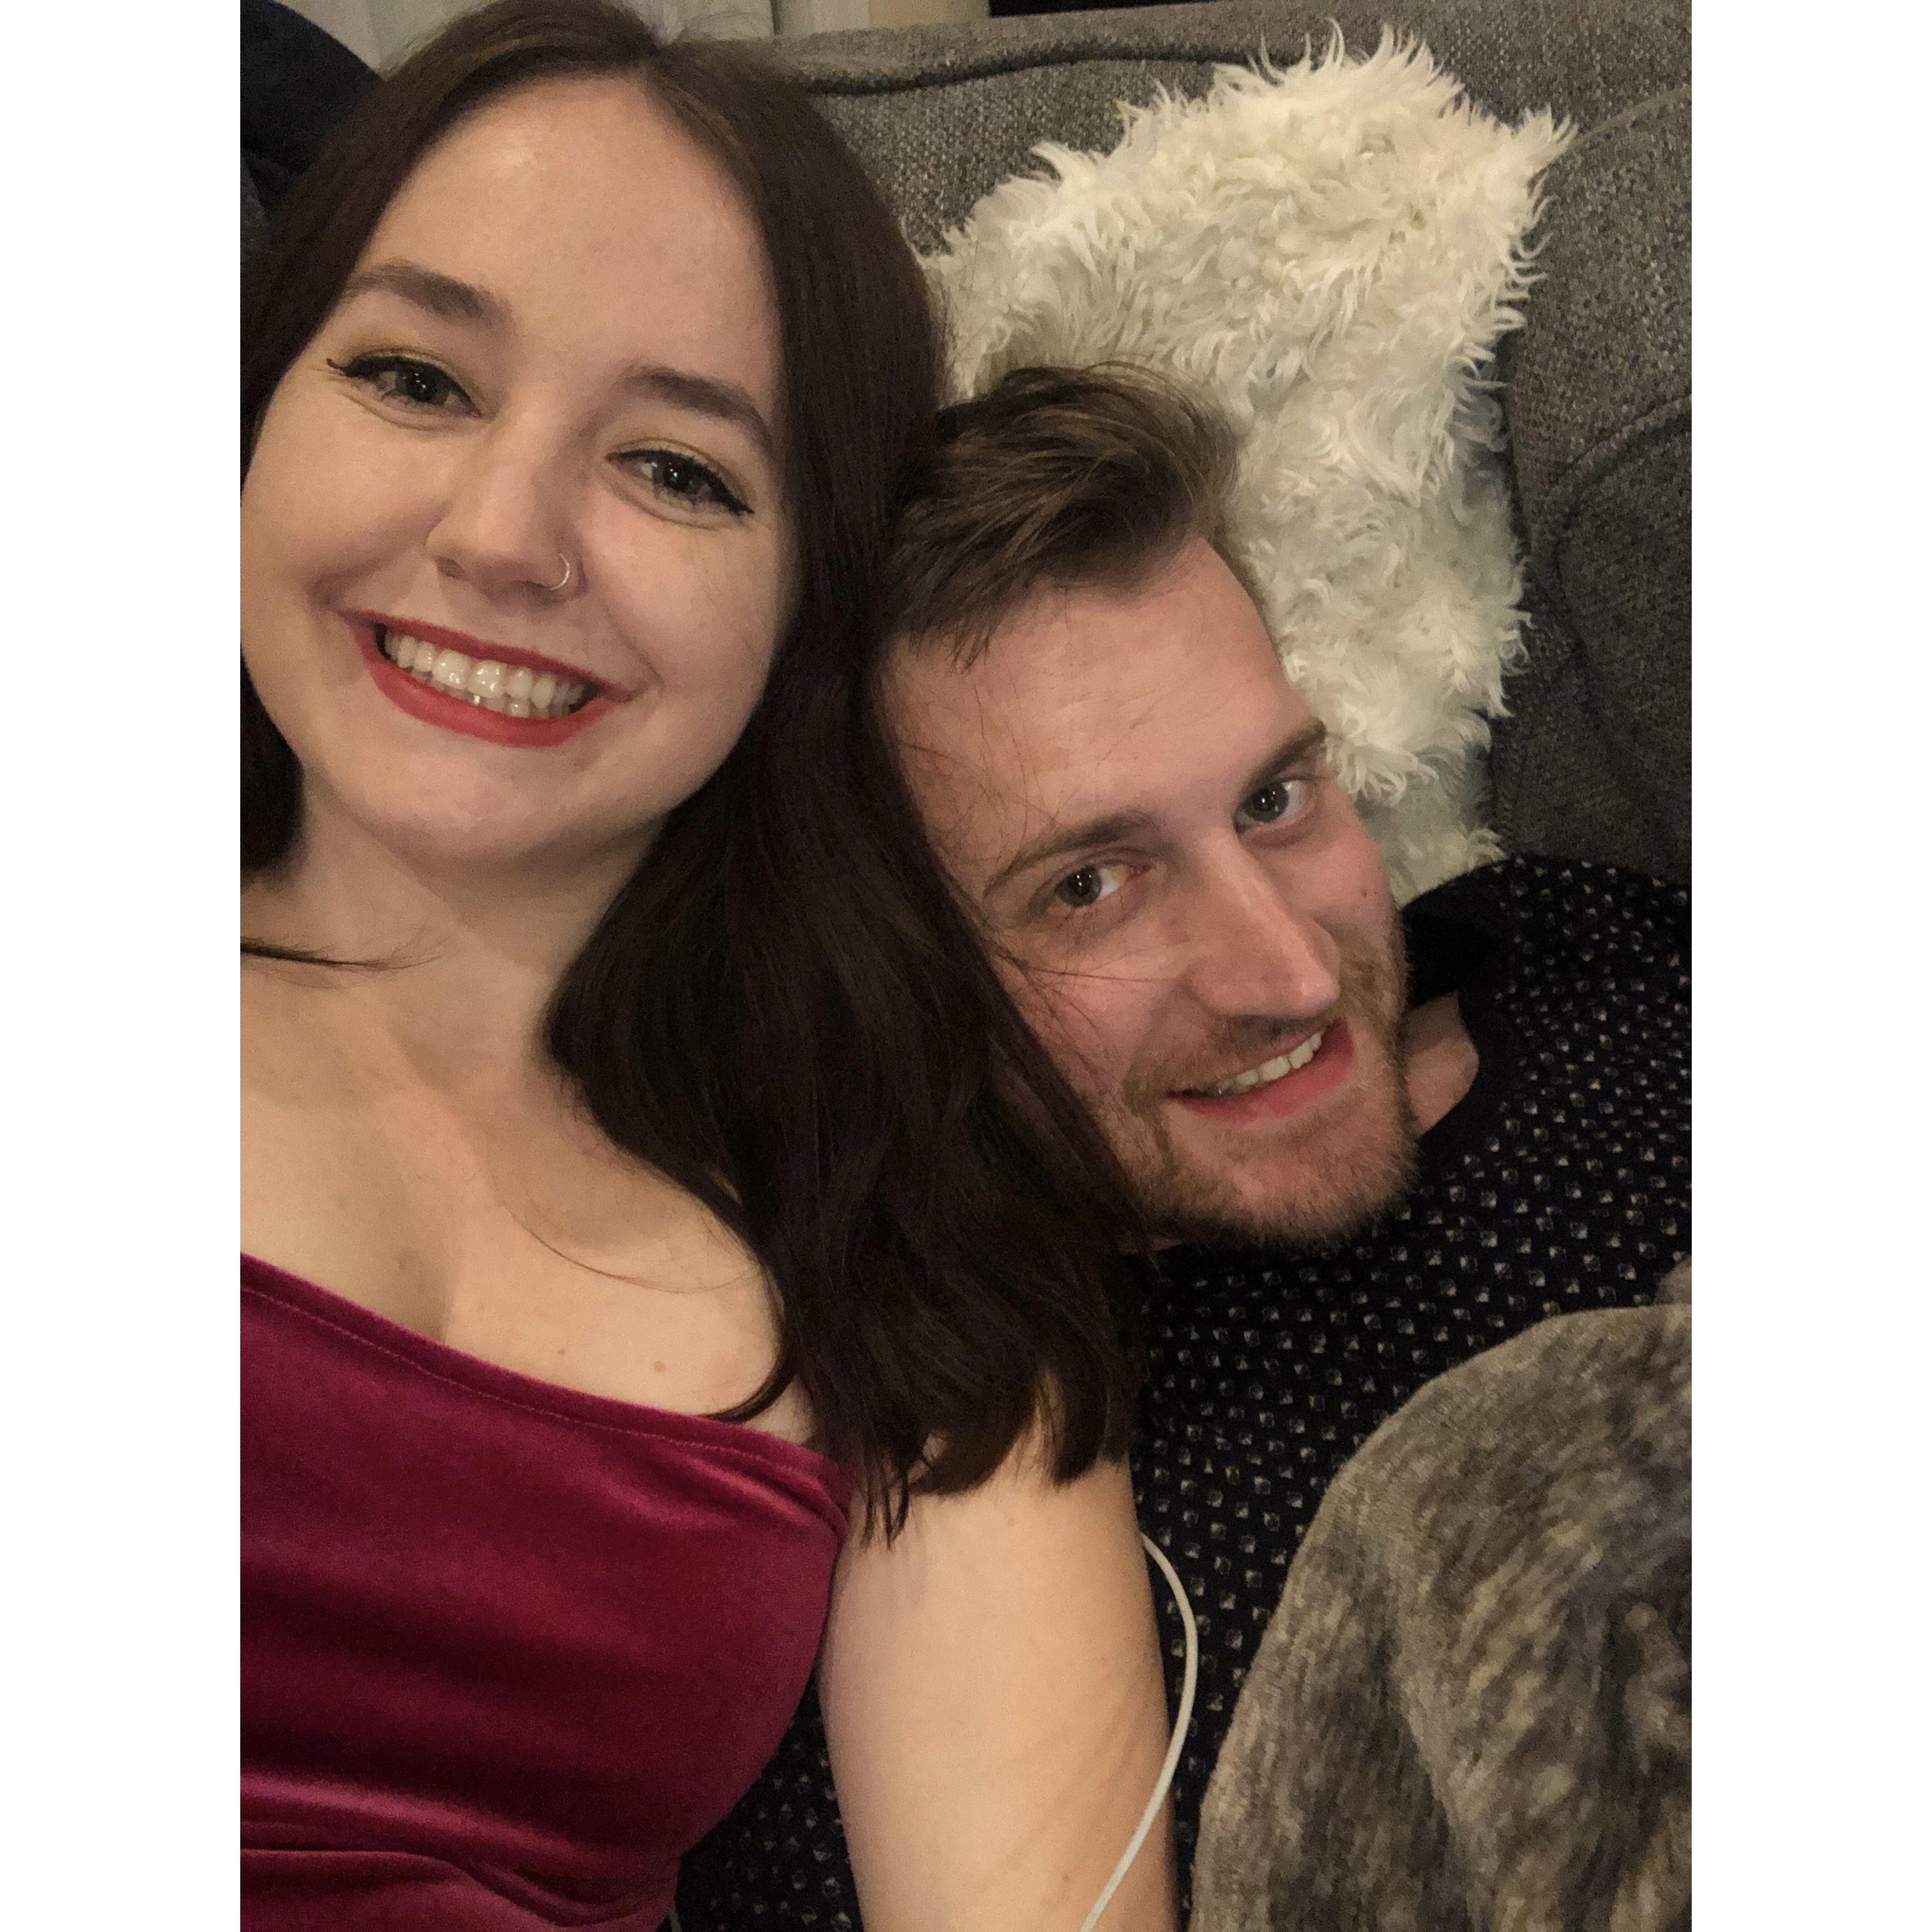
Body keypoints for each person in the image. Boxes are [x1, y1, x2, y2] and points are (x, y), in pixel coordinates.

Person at [240, 10, 1179, 1927]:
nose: (503, 538)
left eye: (677, 472)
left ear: (808, 604)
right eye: (413, 375)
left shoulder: (905, 1248)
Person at [673, 366, 1689, 1922]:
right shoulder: (932, 1539)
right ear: (879, 981)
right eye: (1088, 885)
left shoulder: (1592, 949)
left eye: (1275, 797)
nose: (1288, 973)